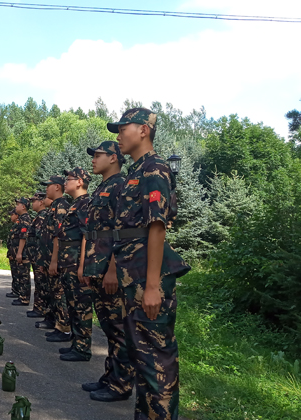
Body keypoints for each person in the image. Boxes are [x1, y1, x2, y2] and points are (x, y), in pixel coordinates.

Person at [108, 108, 190, 419]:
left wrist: (153, 286)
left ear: (144, 130)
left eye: (123, 128)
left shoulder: (155, 170)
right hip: (135, 276)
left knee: (157, 362)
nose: (118, 134)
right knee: (142, 357)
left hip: (146, 279)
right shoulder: (137, 170)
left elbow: (157, 226)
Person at [81, 141, 135, 401]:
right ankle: (110, 377)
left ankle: (121, 385)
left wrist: (113, 269)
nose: (93, 159)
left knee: (119, 327)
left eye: (98, 155)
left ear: (113, 158)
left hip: (110, 268)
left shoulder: (120, 186)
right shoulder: (103, 187)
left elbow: (120, 231)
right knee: (109, 328)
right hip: (97, 266)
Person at [53, 167, 92, 351]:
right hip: (69, 263)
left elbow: (86, 235)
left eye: (69, 179)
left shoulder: (85, 204)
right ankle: (76, 343)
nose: (65, 182)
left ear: (80, 182)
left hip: (76, 262)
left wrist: (83, 265)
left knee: (80, 305)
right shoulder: (75, 204)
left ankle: (82, 348)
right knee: (72, 303)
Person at [38, 175, 70, 339]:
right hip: (49, 258)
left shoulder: (62, 206)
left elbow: (58, 235)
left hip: (56, 259)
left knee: (59, 293)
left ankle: (63, 327)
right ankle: (55, 321)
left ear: (57, 187)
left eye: (48, 186)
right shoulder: (55, 207)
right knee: (53, 292)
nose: (46, 189)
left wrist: (54, 260)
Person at [25, 192, 49, 318]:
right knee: (39, 283)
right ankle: (39, 308)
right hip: (36, 257)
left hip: (39, 257)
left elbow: (41, 239)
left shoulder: (42, 217)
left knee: (41, 283)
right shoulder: (38, 217)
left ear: (41, 202)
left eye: (34, 201)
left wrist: (40, 257)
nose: (32, 203)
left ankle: (41, 309)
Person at [12, 197, 33, 306]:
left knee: (24, 275)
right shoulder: (21, 218)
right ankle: (21, 295)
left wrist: (19, 252)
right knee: (20, 274)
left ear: (23, 206)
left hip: (24, 253)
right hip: (20, 252)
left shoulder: (25, 219)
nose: (16, 207)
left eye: (18, 204)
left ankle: (24, 298)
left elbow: (23, 237)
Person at [6, 209, 20, 298]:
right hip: (12, 253)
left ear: (16, 215)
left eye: (12, 215)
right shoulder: (15, 226)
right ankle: (15, 290)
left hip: (16, 254)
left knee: (18, 274)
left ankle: (19, 292)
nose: (11, 217)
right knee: (14, 273)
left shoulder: (19, 225)